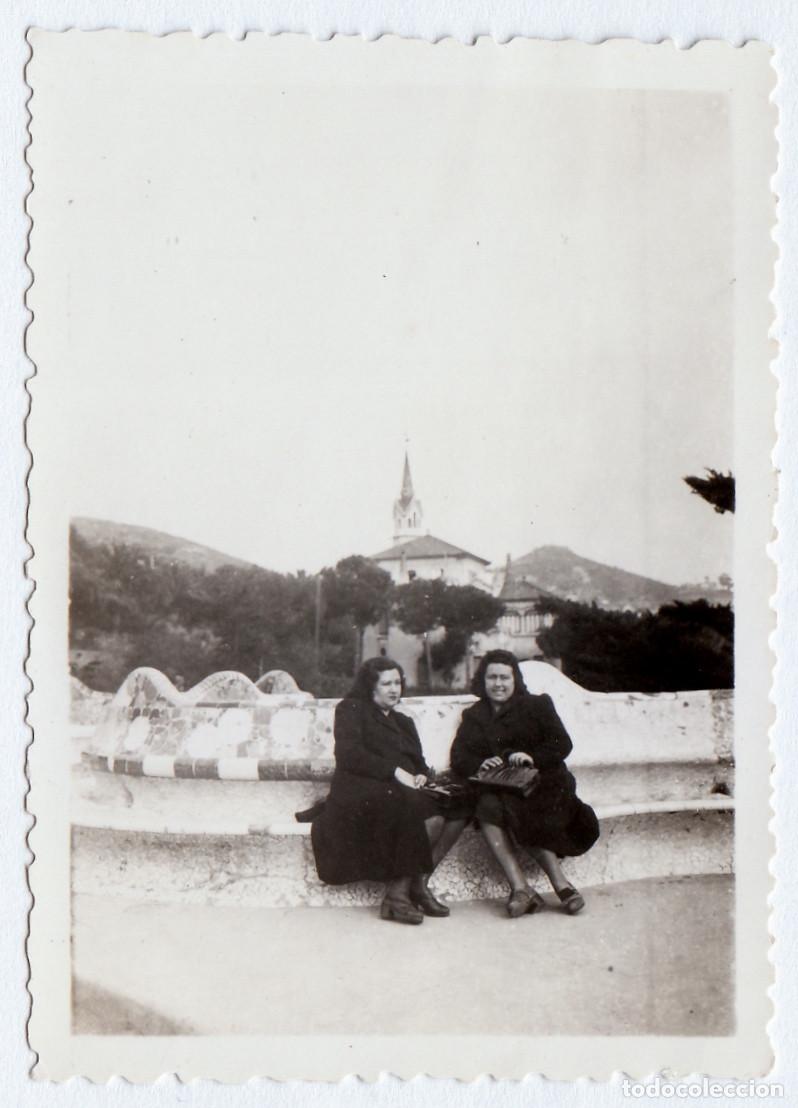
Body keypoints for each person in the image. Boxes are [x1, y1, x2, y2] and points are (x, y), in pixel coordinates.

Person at [310, 657, 469, 925]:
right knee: (417, 809)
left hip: (400, 791)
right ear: (370, 686)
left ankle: (417, 884)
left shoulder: (404, 721)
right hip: (360, 789)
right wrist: (394, 771)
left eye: (397, 682)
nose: (395, 689)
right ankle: (398, 896)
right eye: (387, 684)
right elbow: (349, 754)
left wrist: (420, 774)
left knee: (457, 808)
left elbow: (418, 761)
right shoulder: (351, 710)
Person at [450, 649, 599, 918]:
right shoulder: (474, 715)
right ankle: (520, 888)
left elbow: (562, 744)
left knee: (518, 808)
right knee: (486, 806)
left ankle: (560, 884)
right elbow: (459, 756)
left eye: (504, 677)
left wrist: (531, 756)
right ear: (483, 680)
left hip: (545, 781)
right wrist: (480, 763)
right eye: (492, 677)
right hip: (501, 785)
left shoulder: (536, 705)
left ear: (515, 679)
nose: (498, 684)